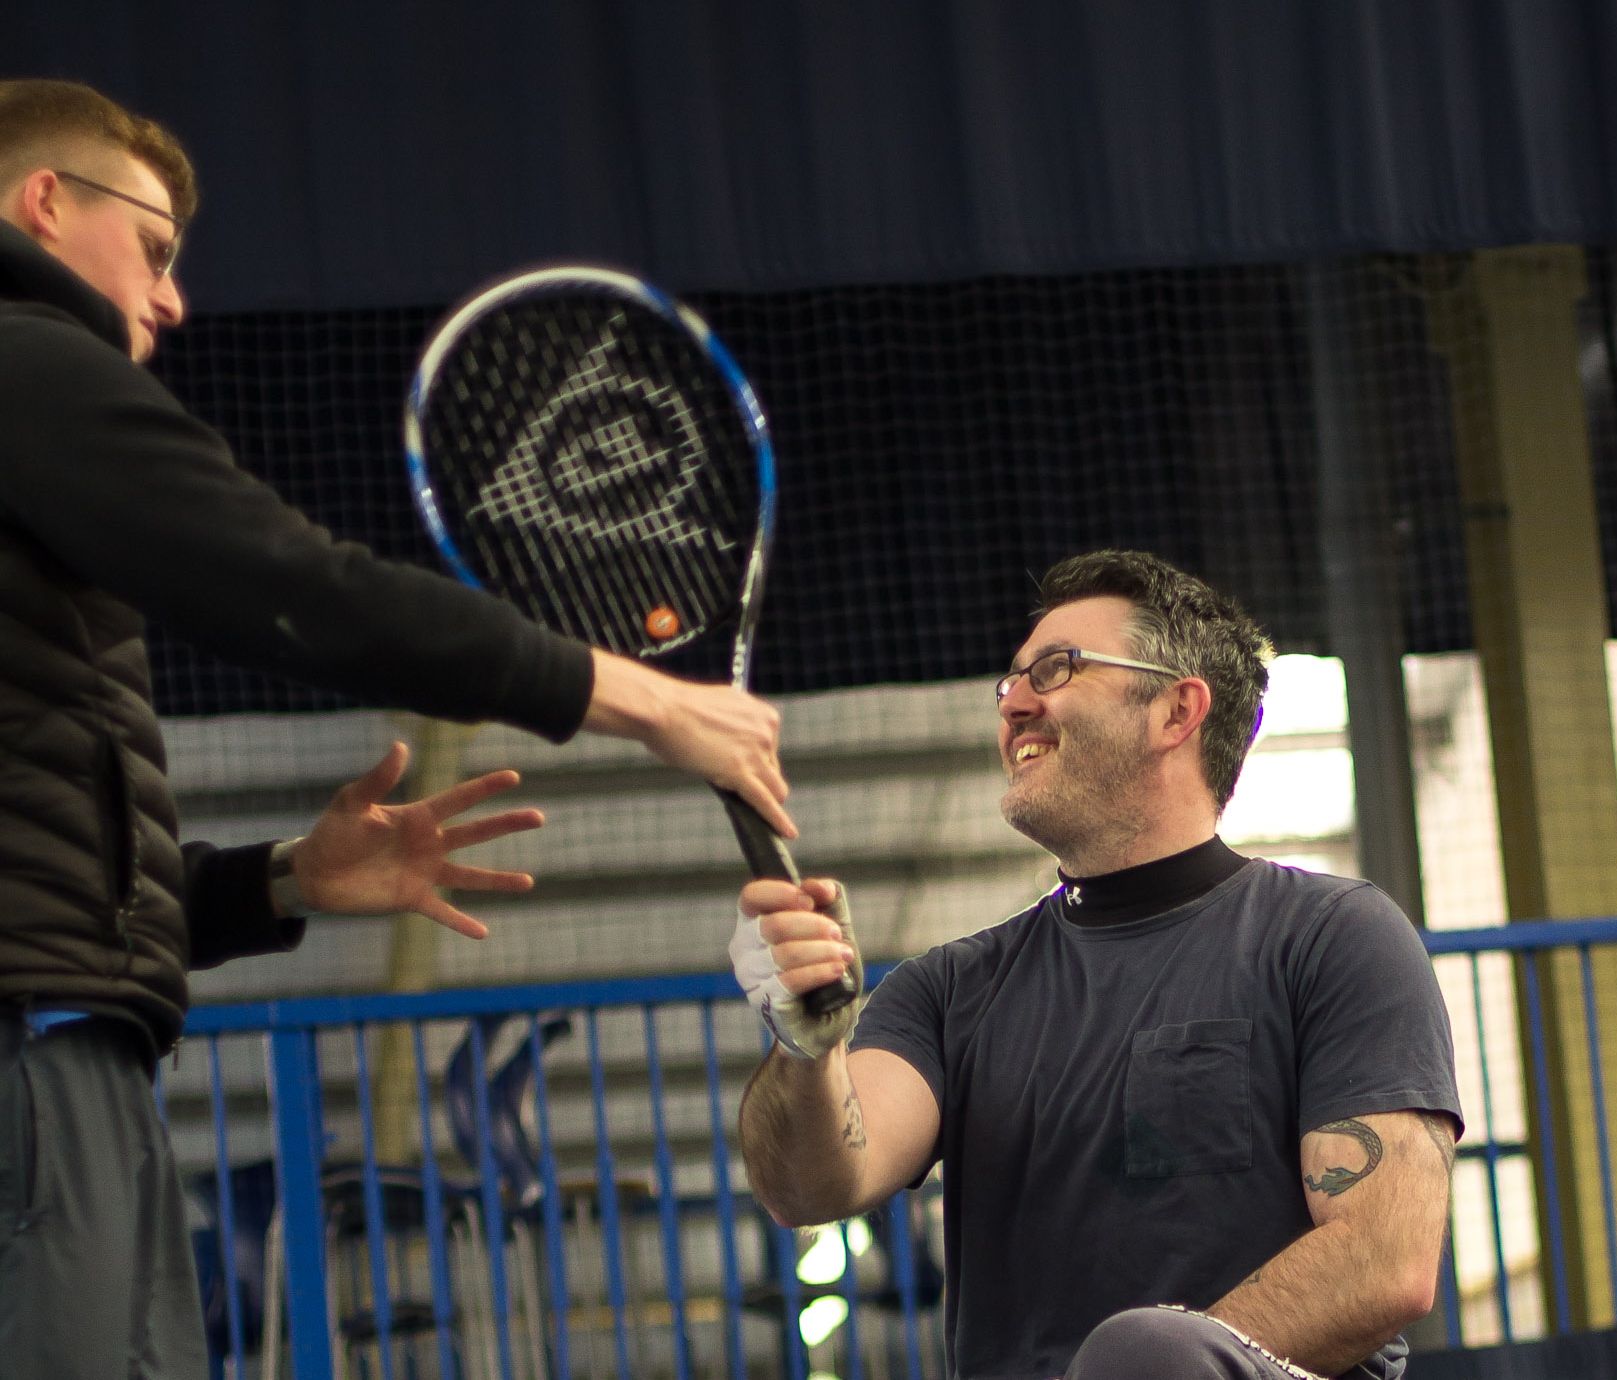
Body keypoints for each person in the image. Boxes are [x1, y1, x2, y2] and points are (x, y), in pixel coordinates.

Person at [0, 78, 795, 1378]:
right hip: (33, 1048)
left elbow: (47, 856)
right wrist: (636, 697)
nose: (170, 301)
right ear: (45, 203)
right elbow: (290, 585)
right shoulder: (24, 354)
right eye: (151, 251)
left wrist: (283, 883)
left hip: (66, 1031)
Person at [733, 550, 1462, 1380]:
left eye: (1055, 668)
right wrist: (805, 1050)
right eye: (1007, 682)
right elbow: (810, 1189)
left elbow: (1384, 1262)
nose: (1013, 703)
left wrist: (1162, 1368)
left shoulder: (1330, 936)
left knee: (1143, 1351)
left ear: (1176, 711)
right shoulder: (948, 991)